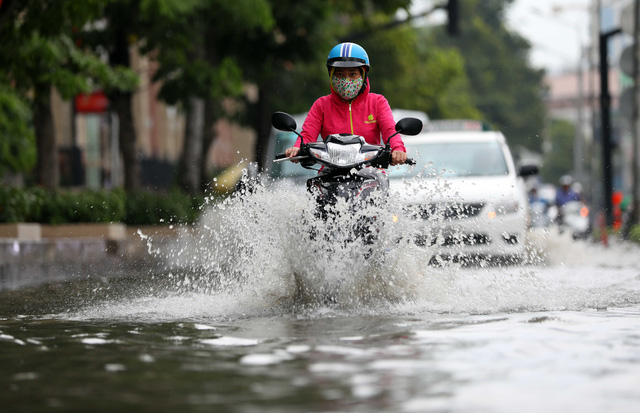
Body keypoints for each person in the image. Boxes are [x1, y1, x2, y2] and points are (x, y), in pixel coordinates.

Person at [285, 42, 407, 165]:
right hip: (328, 175)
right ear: (331, 75)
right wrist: (297, 148)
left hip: (372, 172)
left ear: (363, 75)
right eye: (340, 74)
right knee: (313, 184)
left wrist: (397, 149)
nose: (346, 80)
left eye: (353, 74)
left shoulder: (378, 102)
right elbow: (307, 135)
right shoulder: (321, 105)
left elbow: (390, 130)